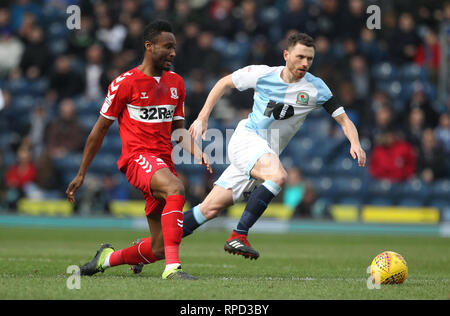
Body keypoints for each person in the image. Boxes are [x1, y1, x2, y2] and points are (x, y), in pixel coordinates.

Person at [181, 32, 366, 259]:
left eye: (309, 59)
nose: (305, 63)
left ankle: (148, 246)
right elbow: (223, 83)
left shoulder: (316, 89)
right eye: (300, 57)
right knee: (278, 176)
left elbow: (344, 120)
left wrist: (355, 143)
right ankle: (239, 235)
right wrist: (203, 117)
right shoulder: (262, 74)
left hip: (263, 154)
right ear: (286, 55)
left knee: (208, 209)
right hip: (247, 139)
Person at [66, 20, 210, 280]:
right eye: (167, 47)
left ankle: (105, 259)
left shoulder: (177, 83)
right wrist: (81, 173)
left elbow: (178, 132)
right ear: (149, 46)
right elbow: (98, 131)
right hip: (137, 160)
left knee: (158, 248)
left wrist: (197, 151)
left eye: (174, 48)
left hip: (163, 164)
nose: (173, 53)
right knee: (176, 188)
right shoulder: (124, 83)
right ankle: (173, 270)